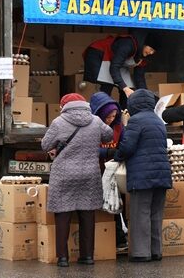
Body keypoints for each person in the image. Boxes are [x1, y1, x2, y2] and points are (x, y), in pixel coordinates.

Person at [41, 93, 113, 267]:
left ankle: (63, 258)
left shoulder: (59, 122)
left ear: (64, 106)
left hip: (64, 175)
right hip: (89, 173)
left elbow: (45, 144)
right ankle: (87, 256)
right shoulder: (95, 121)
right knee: (87, 213)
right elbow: (109, 135)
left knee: (63, 214)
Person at [114, 89, 173, 262]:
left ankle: (141, 253)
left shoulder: (136, 121)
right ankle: (156, 251)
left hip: (142, 175)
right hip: (161, 175)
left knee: (140, 214)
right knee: (156, 214)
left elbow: (127, 147)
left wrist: (117, 156)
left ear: (134, 104)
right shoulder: (158, 121)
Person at [89, 91, 127, 251]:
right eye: (108, 116)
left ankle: (120, 239)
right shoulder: (91, 126)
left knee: (117, 204)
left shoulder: (119, 127)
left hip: (115, 172)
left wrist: (118, 153)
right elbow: (87, 147)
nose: (111, 119)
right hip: (96, 171)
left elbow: (124, 143)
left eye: (113, 116)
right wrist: (106, 153)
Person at [83, 30, 161, 108]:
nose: (151, 53)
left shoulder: (144, 56)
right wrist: (124, 87)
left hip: (117, 63)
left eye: (153, 51)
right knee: (107, 84)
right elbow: (114, 67)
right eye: (151, 49)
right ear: (144, 44)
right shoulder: (127, 44)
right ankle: (102, 111)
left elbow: (139, 78)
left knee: (129, 88)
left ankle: (124, 111)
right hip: (99, 53)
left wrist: (146, 96)